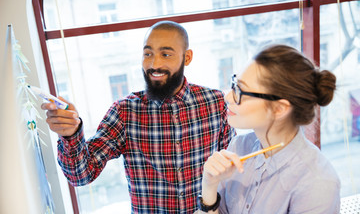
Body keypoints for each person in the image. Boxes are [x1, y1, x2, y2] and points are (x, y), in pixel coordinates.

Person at [41, 21, 236, 213]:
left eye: (165, 54)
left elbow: (233, 172)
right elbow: (81, 176)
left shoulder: (215, 103)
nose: (154, 64)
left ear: (187, 57)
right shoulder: (125, 112)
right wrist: (71, 135)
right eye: (148, 54)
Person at [197, 44, 340, 214]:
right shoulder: (239, 146)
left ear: (279, 109)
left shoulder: (317, 183)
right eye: (234, 83)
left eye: (240, 90)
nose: (228, 96)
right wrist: (209, 187)